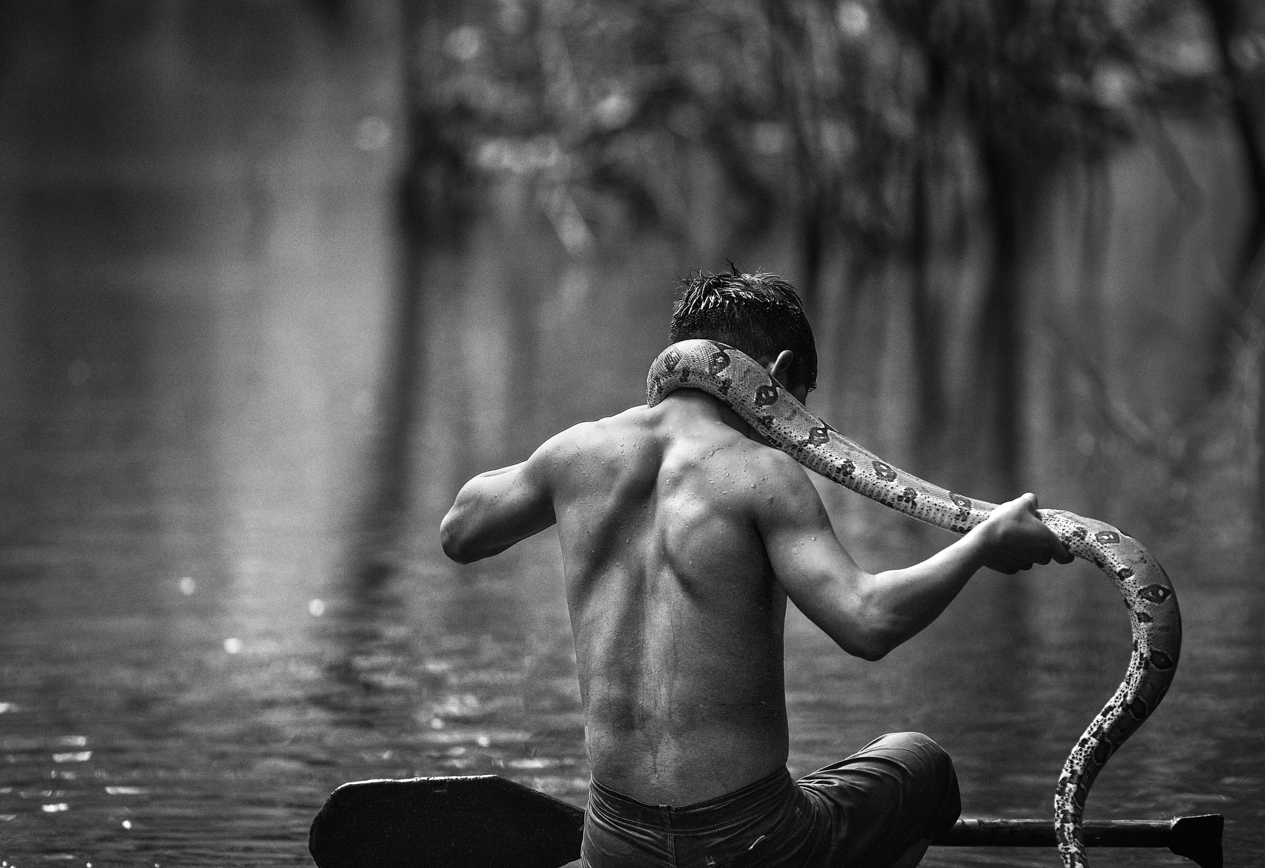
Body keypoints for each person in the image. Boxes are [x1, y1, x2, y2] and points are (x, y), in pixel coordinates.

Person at [440, 268, 1073, 868]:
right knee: (921, 763)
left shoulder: (575, 454)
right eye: (802, 405)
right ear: (780, 374)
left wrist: (556, 462)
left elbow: (459, 533)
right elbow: (867, 621)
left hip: (615, 843)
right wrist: (982, 545)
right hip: (753, 844)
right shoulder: (763, 474)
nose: (794, 431)